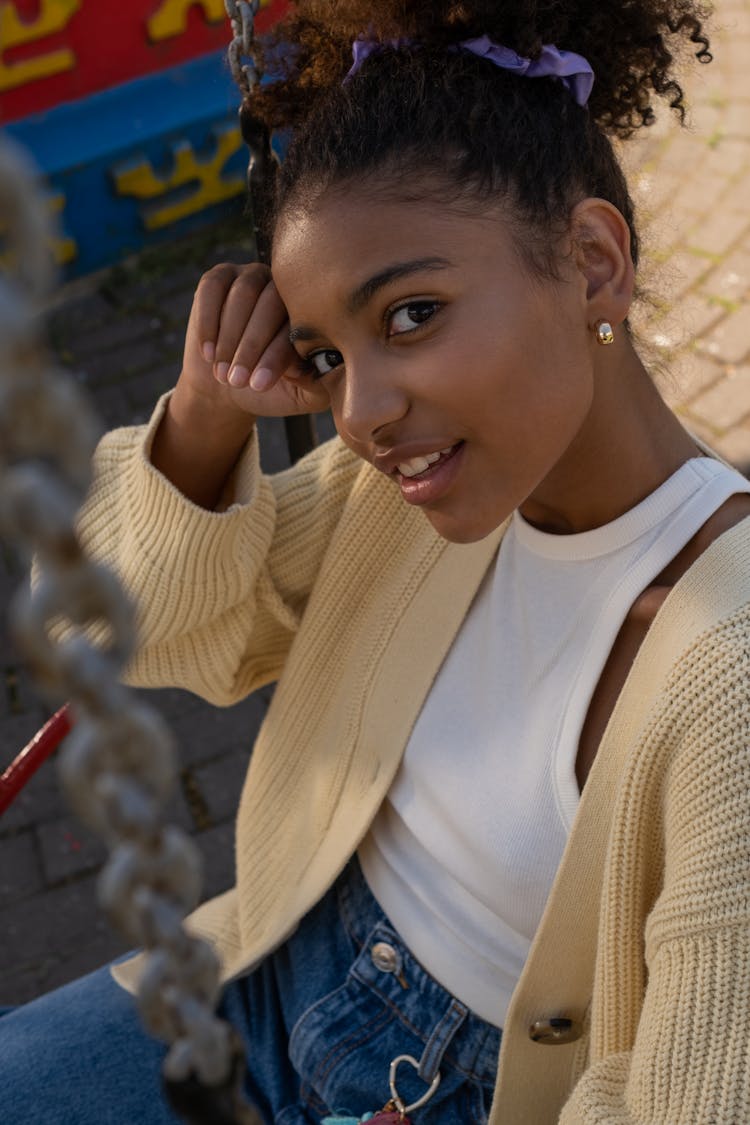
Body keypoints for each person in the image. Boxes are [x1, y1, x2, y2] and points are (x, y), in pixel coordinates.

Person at [4, 0, 750, 1121]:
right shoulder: (401, 501)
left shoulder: (726, 680)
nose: (363, 413)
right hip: (264, 979)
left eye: (411, 314)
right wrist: (208, 419)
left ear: (595, 263)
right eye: (323, 354)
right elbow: (98, 631)